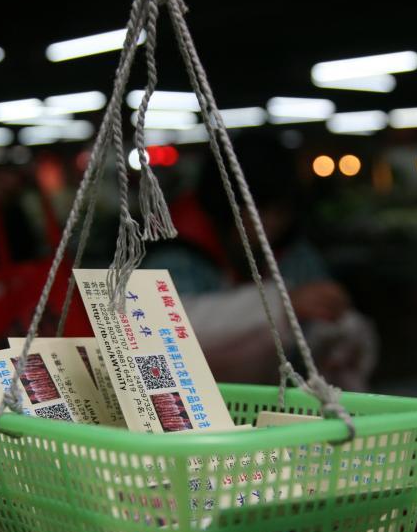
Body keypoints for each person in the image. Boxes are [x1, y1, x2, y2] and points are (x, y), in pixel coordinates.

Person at [144, 133, 375, 387]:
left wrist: (339, 331)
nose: (270, 224)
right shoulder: (177, 255)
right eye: (258, 210)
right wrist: (283, 305)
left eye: (280, 211)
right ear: (224, 207)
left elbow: (338, 332)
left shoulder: (293, 254)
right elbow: (160, 332)